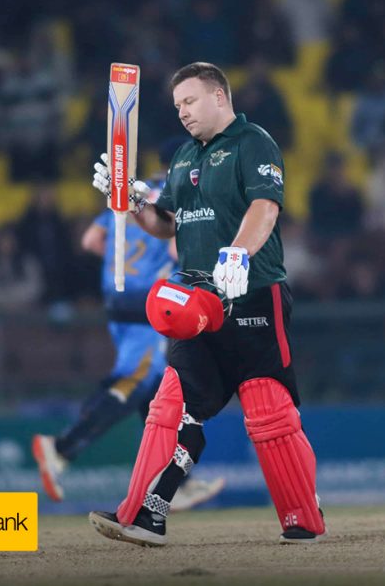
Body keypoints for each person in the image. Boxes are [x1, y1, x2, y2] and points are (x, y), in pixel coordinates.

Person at [88, 62, 327, 546]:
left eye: (190, 101)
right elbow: (166, 224)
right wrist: (132, 203)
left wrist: (238, 253)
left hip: (254, 292)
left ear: (219, 96)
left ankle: (303, 516)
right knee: (169, 407)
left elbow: (265, 206)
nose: (182, 112)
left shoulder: (253, 142)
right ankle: (140, 514)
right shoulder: (183, 157)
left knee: (268, 414)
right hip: (196, 301)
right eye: (178, 105)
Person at [31, 168, 225, 511]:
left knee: (155, 393)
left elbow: (91, 241)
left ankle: (174, 482)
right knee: (137, 379)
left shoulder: (132, 196)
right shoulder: (177, 195)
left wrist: (122, 262)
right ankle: (62, 447)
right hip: (149, 303)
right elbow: (178, 251)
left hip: (116, 299)